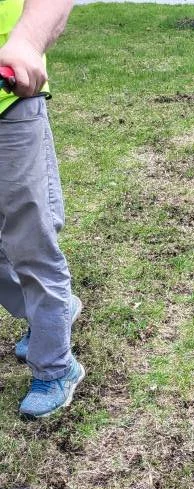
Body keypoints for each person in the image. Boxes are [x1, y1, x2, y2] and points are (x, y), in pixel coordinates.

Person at [0, 0, 83, 419]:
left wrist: (27, 41)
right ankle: (55, 312)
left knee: (31, 244)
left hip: (9, 97)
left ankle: (55, 369)